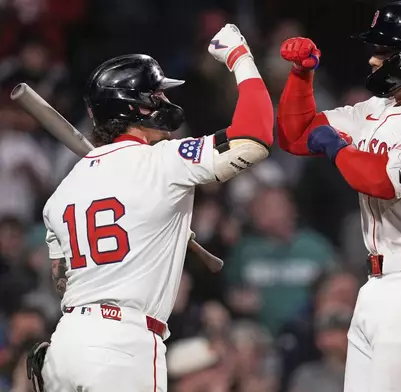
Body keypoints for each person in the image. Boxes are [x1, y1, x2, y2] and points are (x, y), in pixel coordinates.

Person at [26, 23, 274, 392]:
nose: (165, 102)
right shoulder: (164, 161)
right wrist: (240, 57)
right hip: (124, 347)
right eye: (157, 94)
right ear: (139, 105)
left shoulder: (61, 191)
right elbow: (255, 137)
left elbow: (63, 281)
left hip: (66, 344)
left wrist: (155, 231)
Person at [276, 2, 401, 391]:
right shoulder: (378, 109)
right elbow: (295, 136)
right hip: (379, 283)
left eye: (383, 52)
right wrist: (302, 76)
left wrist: (336, 148)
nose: (373, 59)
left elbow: (383, 180)